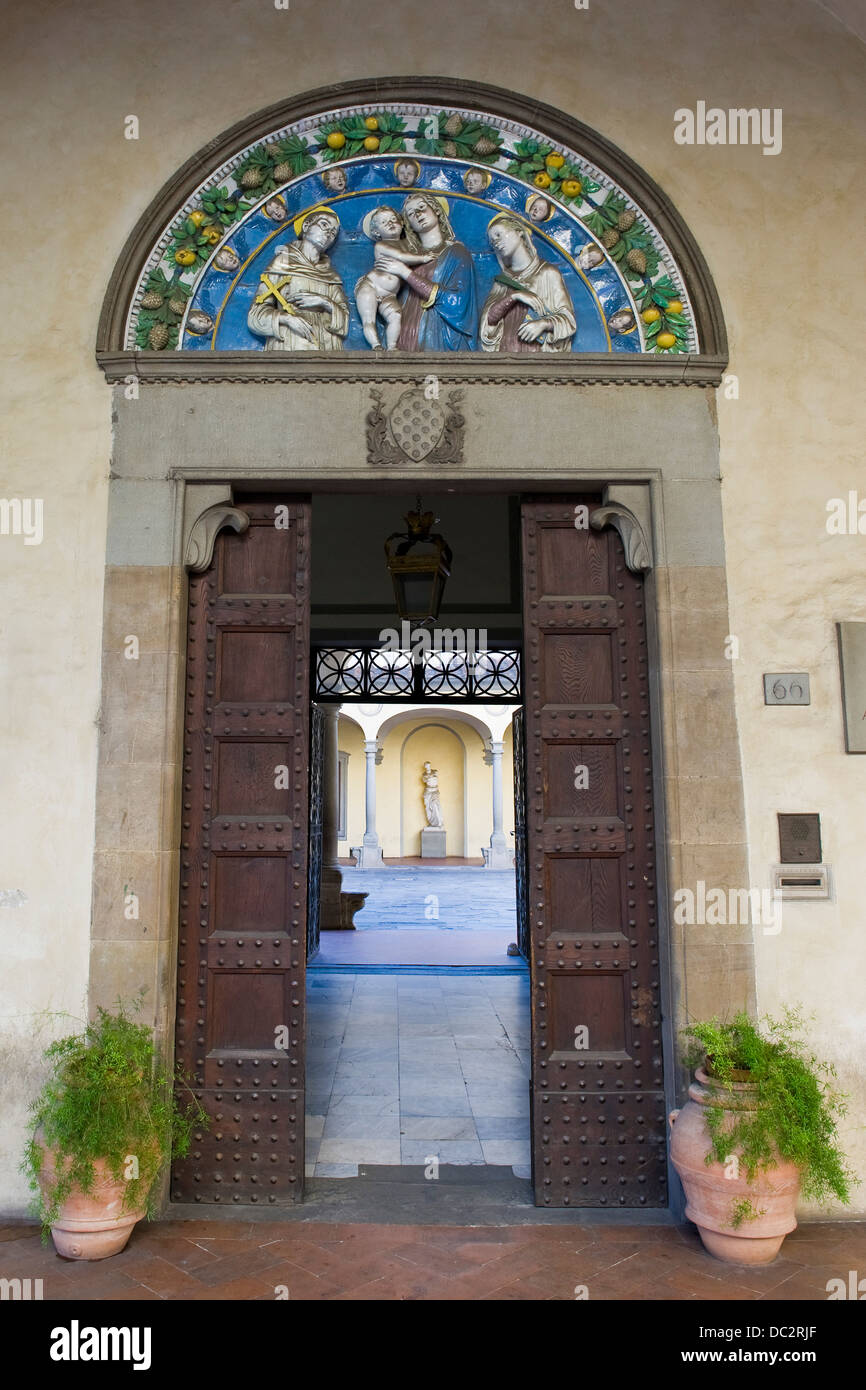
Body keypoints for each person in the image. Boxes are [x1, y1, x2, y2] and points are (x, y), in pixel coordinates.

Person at [375, 190, 477, 351]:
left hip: (438, 335)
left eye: (422, 207)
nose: (418, 214)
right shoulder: (407, 257)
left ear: (436, 209)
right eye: (410, 214)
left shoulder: (456, 253)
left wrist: (406, 273)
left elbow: (457, 303)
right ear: (408, 225)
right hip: (404, 336)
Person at [247, 207, 349, 351]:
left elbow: (344, 318)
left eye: (333, 233)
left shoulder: (330, 276)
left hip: (326, 346)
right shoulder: (282, 263)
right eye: (324, 225)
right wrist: (287, 319)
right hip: (290, 342)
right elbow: (255, 314)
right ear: (306, 226)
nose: (328, 234)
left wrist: (323, 301)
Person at [479, 213, 576, 352]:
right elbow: (489, 320)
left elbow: (568, 320)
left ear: (519, 232)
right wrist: (514, 297)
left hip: (536, 357)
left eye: (499, 235)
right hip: (504, 356)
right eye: (493, 242)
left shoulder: (547, 273)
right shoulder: (502, 282)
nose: (496, 243)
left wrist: (543, 324)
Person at [355, 206, 432, 349]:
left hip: (390, 294)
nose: (390, 223)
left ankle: (391, 347)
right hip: (371, 286)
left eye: (393, 220)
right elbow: (401, 257)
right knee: (368, 319)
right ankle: (376, 345)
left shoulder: (408, 245)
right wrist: (423, 258)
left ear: (402, 223)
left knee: (396, 316)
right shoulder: (382, 245)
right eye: (384, 222)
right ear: (376, 232)